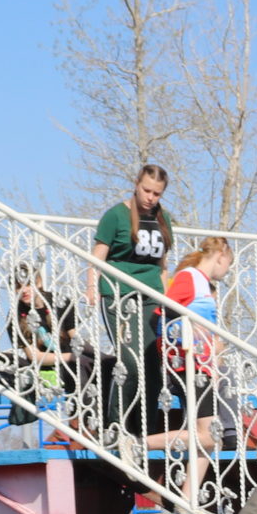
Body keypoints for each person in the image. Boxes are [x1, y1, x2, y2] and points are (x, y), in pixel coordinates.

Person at [93, 163, 173, 442]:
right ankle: (116, 425)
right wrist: (92, 288)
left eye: (157, 193)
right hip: (118, 292)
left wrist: (169, 302)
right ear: (136, 184)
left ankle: (144, 431)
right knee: (130, 360)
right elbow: (97, 257)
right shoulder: (116, 216)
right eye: (146, 190)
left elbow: (162, 266)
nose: (151, 197)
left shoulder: (164, 219)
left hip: (151, 294)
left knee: (152, 363)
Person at [160, 236, 241, 505]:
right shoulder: (190, 277)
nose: (227, 271)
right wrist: (188, 326)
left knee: (210, 439)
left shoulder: (202, 285)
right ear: (221, 255)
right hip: (190, 364)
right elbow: (165, 309)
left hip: (202, 365)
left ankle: (188, 501)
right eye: (228, 264)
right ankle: (138, 444)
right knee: (207, 434)